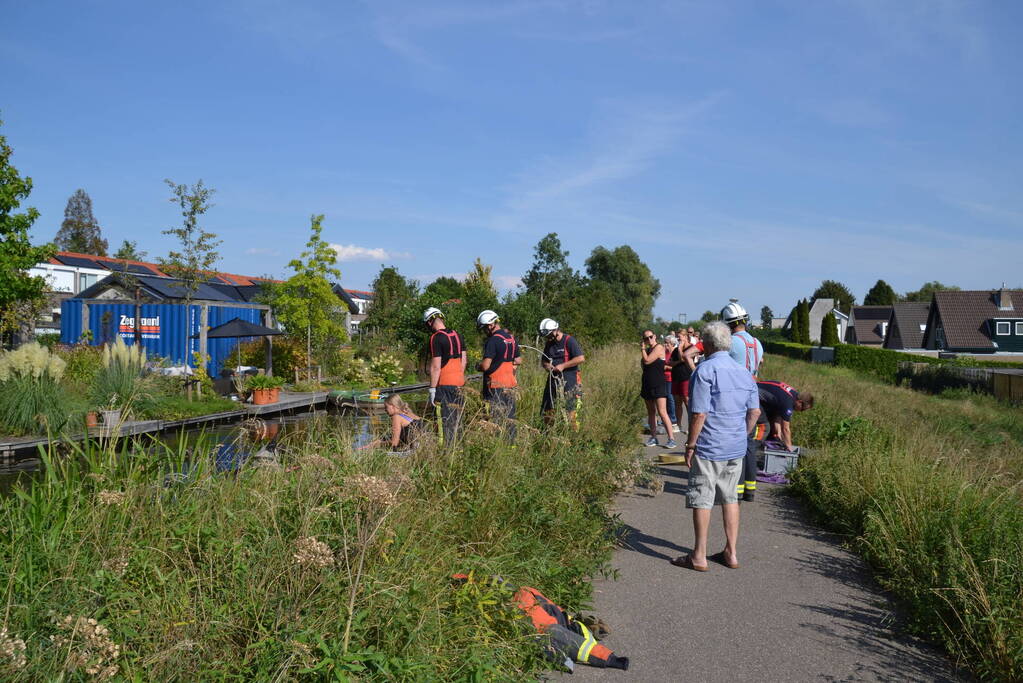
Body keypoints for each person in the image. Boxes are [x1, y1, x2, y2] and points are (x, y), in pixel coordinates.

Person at [672, 321, 760, 572]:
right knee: (731, 498)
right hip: (735, 446)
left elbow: (699, 414)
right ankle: (731, 552)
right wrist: (741, 434)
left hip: (710, 445)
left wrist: (690, 445)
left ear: (707, 344)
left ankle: (698, 555)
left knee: (703, 498)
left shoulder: (704, 370)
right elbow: (754, 411)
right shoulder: (744, 372)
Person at [721, 299, 764, 501]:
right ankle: (750, 490)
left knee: (735, 442)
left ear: (729, 324)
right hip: (753, 394)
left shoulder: (731, 343)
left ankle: (735, 490)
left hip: (735, 396)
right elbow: (759, 363)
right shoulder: (757, 343)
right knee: (749, 443)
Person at [424, 306, 467, 447]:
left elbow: (436, 367)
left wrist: (432, 389)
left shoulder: (436, 338)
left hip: (444, 385)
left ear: (430, 322)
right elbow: (463, 361)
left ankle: (445, 453)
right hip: (460, 384)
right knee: (458, 420)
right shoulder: (458, 335)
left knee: (444, 422)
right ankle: (459, 449)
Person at [476, 309, 522, 442]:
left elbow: (485, 366)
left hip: (495, 385)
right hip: (511, 384)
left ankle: (496, 445)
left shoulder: (493, 340)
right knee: (510, 417)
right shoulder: (511, 338)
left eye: (484, 328)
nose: (484, 331)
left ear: (490, 325)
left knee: (495, 419)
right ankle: (511, 444)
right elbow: (518, 360)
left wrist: (477, 366)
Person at [539, 318, 585, 429]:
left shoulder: (569, 341)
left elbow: (580, 358)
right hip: (553, 380)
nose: (547, 338)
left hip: (570, 379)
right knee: (548, 409)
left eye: (549, 335)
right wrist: (547, 366)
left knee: (570, 410)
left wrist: (563, 366)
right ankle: (548, 433)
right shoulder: (549, 344)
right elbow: (544, 361)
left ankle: (573, 437)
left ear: (555, 330)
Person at [641, 330, 676, 449]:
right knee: (651, 412)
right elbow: (644, 366)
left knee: (662, 412)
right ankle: (653, 437)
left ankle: (671, 439)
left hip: (658, 384)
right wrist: (644, 351)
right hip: (647, 383)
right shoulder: (647, 350)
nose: (649, 340)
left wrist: (642, 349)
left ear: (654, 336)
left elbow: (647, 361)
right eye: (646, 338)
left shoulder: (659, 347)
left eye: (650, 337)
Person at [757, 379, 814, 452]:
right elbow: (786, 429)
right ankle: (753, 449)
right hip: (753, 394)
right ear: (799, 402)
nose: (801, 411)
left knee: (773, 431)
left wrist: (779, 436)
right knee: (765, 427)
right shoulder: (788, 403)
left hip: (761, 396)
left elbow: (777, 417)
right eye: (802, 409)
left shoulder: (793, 395)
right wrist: (789, 448)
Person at [666, 332, 695, 428]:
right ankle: (678, 425)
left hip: (686, 377)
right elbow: (669, 363)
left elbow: (683, 359)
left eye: (680, 337)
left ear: (686, 337)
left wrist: (679, 348)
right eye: (677, 337)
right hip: (676, 378)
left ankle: (691, 425)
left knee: (686, 401)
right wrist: (677, 361)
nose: (678, 339)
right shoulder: (675, 351)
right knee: (677, 402)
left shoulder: (691, 348)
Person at [662, 335, 679, 432]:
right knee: (666, 398)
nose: (665, 345)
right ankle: (667, 418)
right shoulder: (665, 352)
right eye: (664, 342)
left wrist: (667, 368)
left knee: (670, 397)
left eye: (667, 343)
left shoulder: (675, 353)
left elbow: (677, 367)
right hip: (664, 377)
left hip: (671, 377)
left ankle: (673, 420)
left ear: (672, 344)